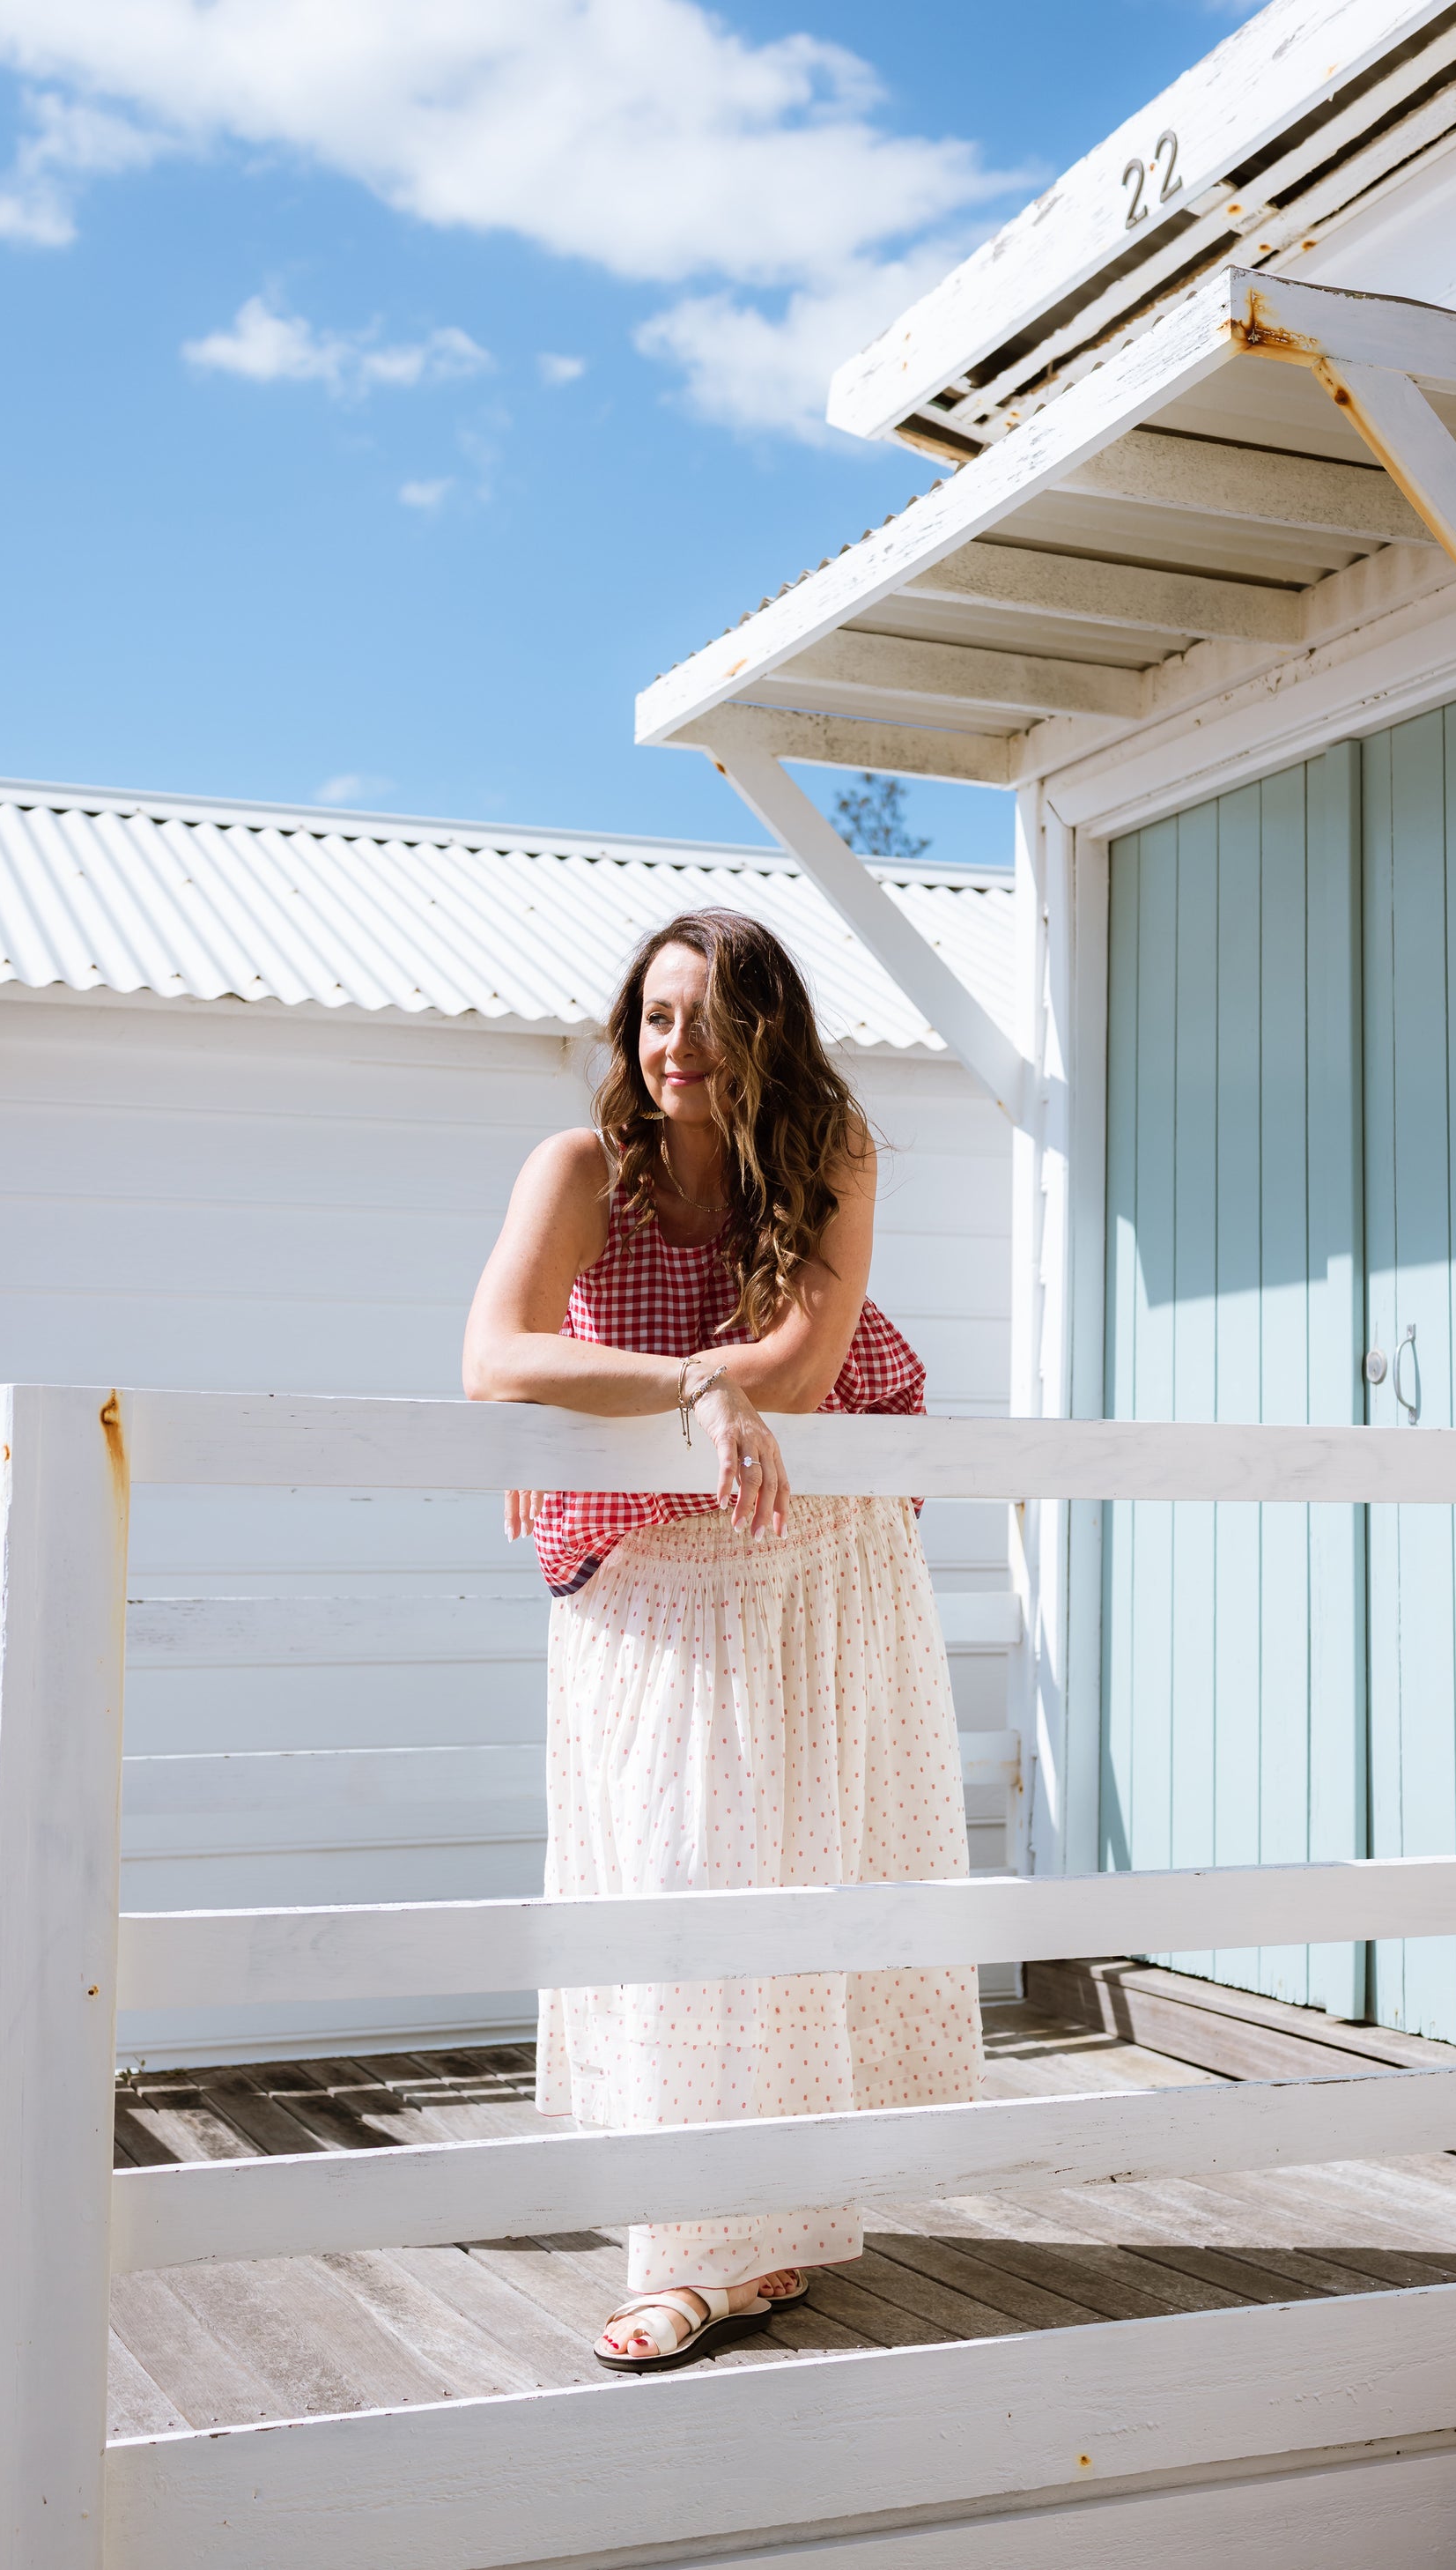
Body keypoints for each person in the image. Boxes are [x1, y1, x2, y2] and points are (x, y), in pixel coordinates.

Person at [462, 907, 980, 2371]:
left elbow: (806, 1369)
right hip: (649, 1568)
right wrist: (696, 1385)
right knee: (679, 1880)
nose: (671, 1045)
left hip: (813, 1548)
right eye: (652, 1015)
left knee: (798, 1877)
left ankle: (761, 2229)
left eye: (701, 1015)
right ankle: (685, 2240)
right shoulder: (581, 1169)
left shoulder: (832, 1150)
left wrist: (675, 1385)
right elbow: (494, 1354)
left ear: (763, 1030)